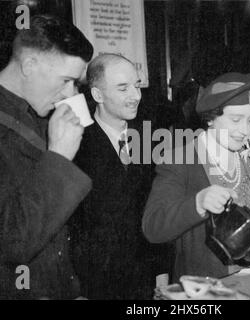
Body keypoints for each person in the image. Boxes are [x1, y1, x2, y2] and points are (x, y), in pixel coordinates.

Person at [0, 15, 93, 299]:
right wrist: (58, 155)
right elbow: (12, 240)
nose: (70, 94)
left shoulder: (36, 114)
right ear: (29, 65)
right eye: (67, 80)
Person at [142, 67, 250, 282]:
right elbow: (153, 227)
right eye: (235, 120)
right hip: (205, 293)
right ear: (211, 118)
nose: (245, 130)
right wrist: (198, 203)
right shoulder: (179, 160)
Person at [70, 53, 172, 299]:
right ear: (97, 95)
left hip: (145, 280)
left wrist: (161, 272)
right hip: (96, 282)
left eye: (136, 86)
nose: (136, 96)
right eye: (123, 88)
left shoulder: (148, 138)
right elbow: (72, 225)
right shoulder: (75, 144)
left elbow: (157, 211)